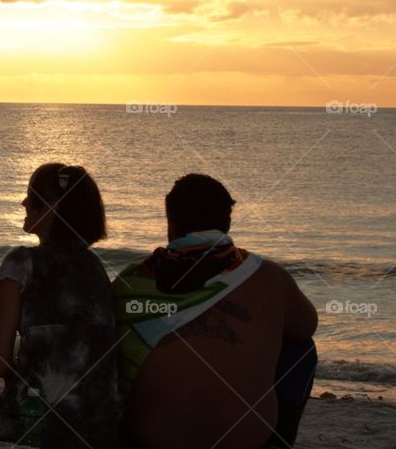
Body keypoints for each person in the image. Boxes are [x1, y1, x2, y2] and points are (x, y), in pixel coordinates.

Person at [112, 174, 318, 449]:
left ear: (170, 223)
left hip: (149, 442)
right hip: (248, 442)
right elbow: (306, 326)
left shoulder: (133, 280)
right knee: (302, 350)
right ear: (228, 223)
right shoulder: (268, 276)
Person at [0, 163, 121, 449]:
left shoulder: (20, 262)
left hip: (40, 426)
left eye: (30, 195)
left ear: (50, 207)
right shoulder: (95, 267)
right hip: (102, 425)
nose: (24, 202)